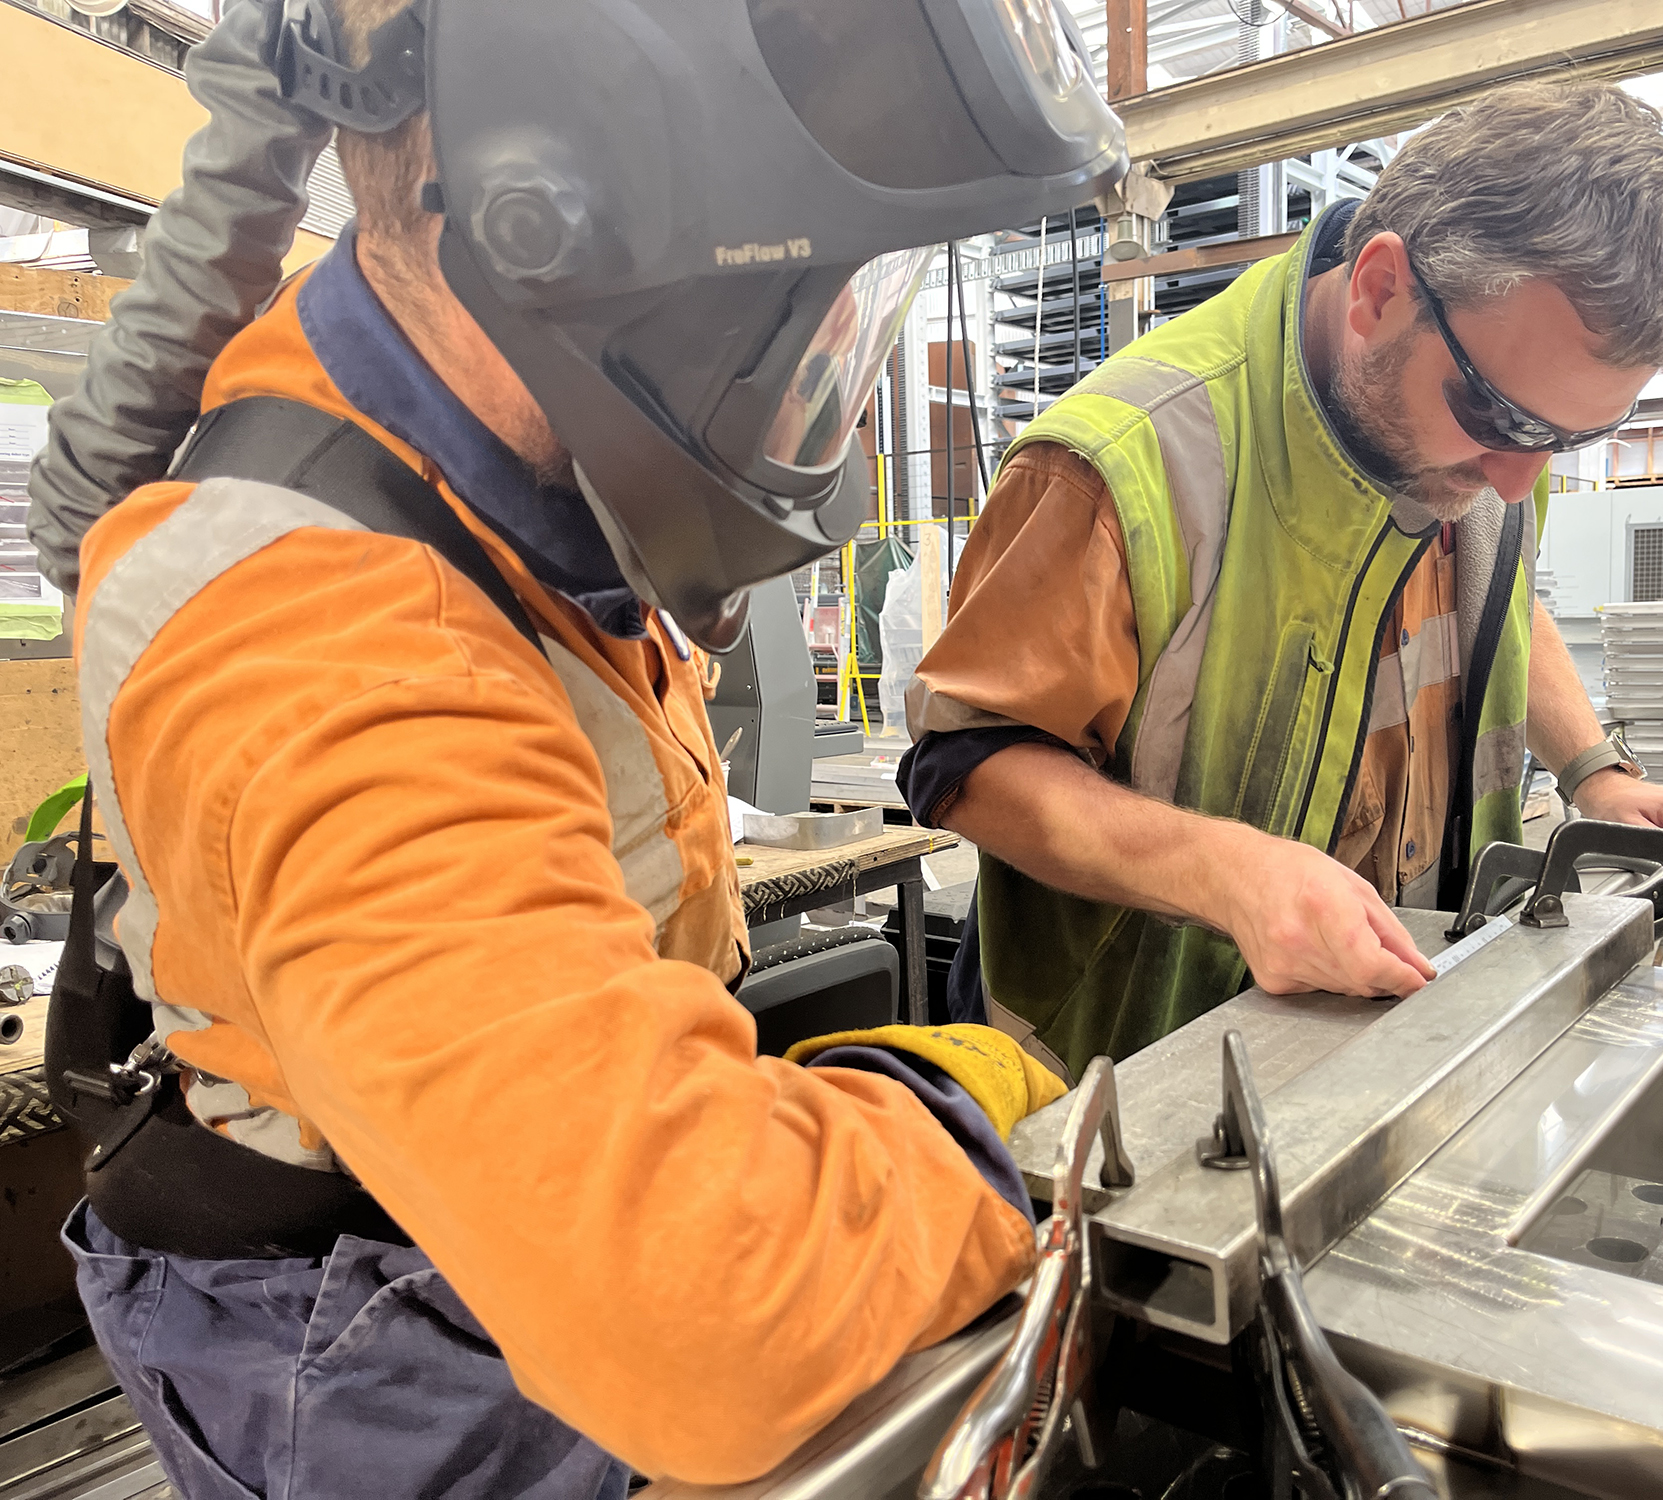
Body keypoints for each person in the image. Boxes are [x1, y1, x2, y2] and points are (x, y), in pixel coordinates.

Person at [33, 0, 1121, 1493]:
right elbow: (707, 1309)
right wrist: (941, 1108)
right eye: (807, 294)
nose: (817, 365)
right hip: (361, 1311)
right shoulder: (317, 620)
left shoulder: (522, 476)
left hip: (494, 1212)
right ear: (578, 215)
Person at [897, 82, 1663, 1076]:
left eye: (1570, 437)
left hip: (1394, 1033)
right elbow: (964, 771)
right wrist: (1224, 873)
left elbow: (1495, 601)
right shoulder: (1124, 461)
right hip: (1130, 1077)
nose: (1519, 477)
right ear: (1380, 289)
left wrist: (1592, 772)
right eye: (1504, 422)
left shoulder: (1490, 436)